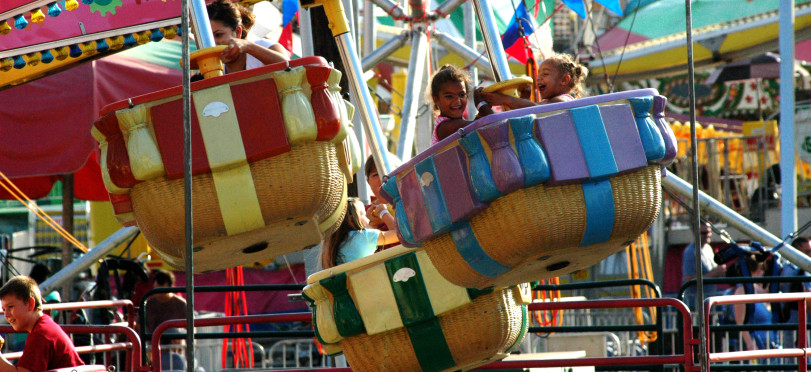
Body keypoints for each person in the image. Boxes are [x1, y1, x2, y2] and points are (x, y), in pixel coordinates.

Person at [0, 276, 84, 372]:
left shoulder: (40, 334)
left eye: (10, 307)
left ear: (30, 304)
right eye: (4, 309)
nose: (6, 315)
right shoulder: (43, 325)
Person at [476, 52, 589, 110]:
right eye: (538, 74)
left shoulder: (562, 100)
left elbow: (535, 109)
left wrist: (505, 100)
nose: (538, 78)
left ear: (564, 80)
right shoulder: (549, 102)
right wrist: (524, 99)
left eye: (545, 74)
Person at [207, 0, 289, 74]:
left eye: (218, 35)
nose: (214, 42)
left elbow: (292, 68)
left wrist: (248, 46)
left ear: (237, 32)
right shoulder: (214, 71)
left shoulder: (264, 46)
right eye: (209, 37)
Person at [321, 197, 399, 269]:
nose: (367, 218)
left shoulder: (333, 243)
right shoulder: (365, 236)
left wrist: (373, 224)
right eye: (363, 214)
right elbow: (399, 235)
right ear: (352, 219)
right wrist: (383, 212)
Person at [429, 65, 488, 144]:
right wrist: (481, 104)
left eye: (461, 95)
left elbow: (481, 122)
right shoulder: (447, 127)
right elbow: (489, 125)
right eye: (449, 96)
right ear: (436, 99)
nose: (457, 101)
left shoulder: (457, 122)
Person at [144, 269, 188, 371]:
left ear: (168, 286)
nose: (157, 293)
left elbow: (191, 328)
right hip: (153, 350)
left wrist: (188, 347)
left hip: (176, 350)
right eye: (155, 289)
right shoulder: (149, 304)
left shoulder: (181, 304)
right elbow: (140, 325)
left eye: (159, 289)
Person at [682, 222, 727, 310]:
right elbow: (689, 279)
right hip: (694, 306)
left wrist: (720, 271)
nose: (708, 235)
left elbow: (713, 272)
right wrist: (715, 272)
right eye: (704, 233)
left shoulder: (708, 248)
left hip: (709, 303)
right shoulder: (690, 252)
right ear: (695, 233)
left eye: (709, 232)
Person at [364, 154, 400, 252]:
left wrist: (384, 214)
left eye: (387, 171)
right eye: (375, 174)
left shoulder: (407, 203)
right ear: (368, 182)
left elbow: (404, 235)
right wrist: (372, 225)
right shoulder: (366, 212)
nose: (382, 177)